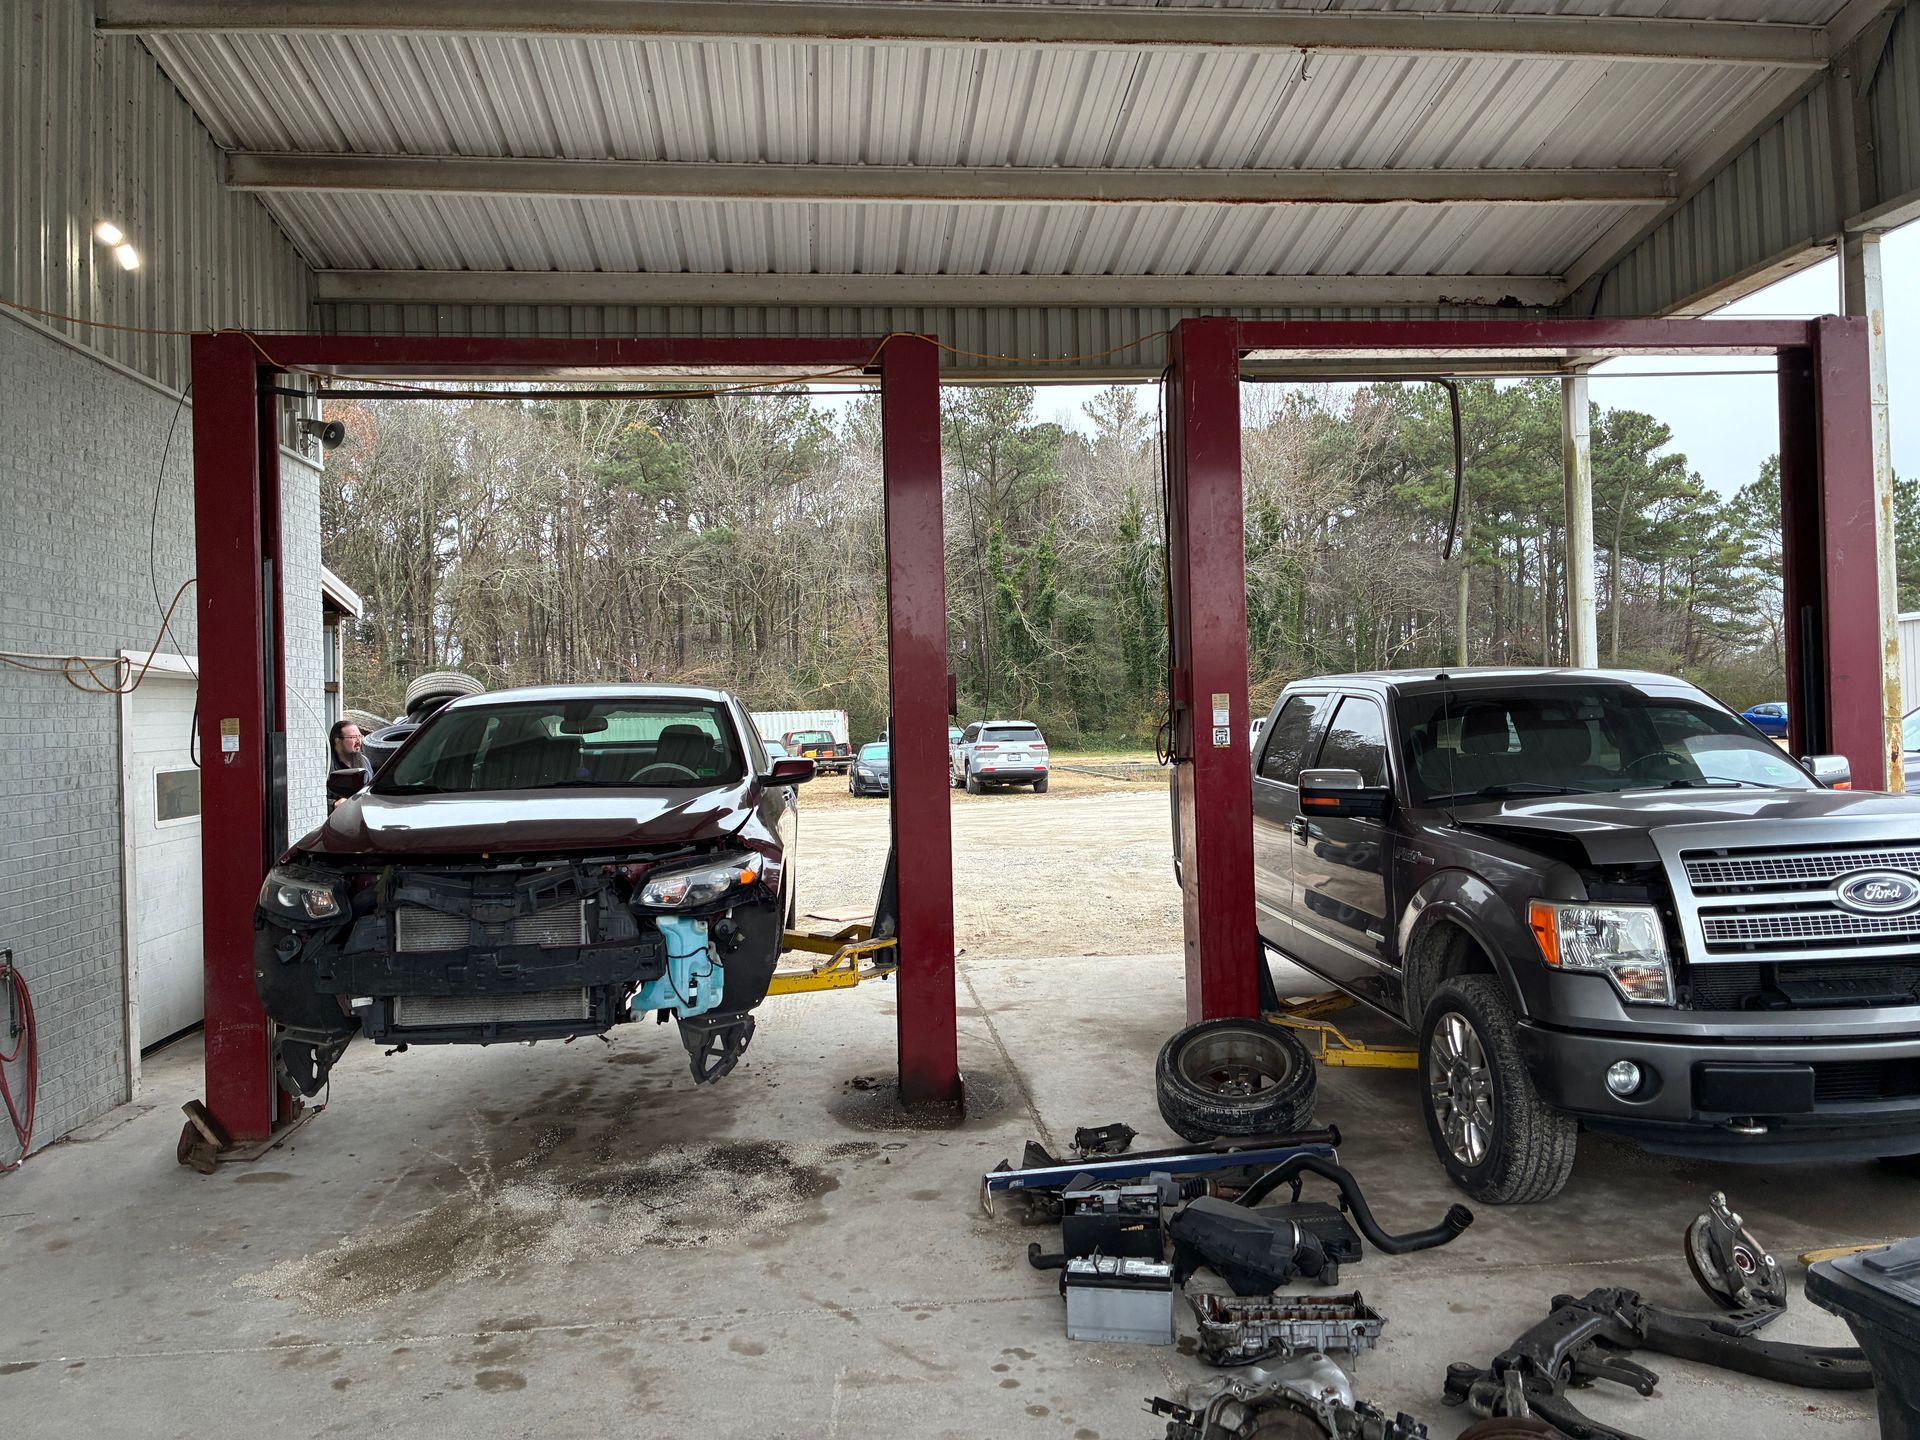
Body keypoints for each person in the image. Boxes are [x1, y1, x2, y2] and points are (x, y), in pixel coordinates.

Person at [328, 720, 373, 807]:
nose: (358, 741)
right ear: (338, 741)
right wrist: (333, 804)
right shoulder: (327, 765)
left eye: (360, 736)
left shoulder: (365, 761)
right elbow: (315, 798)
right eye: (353, 737)